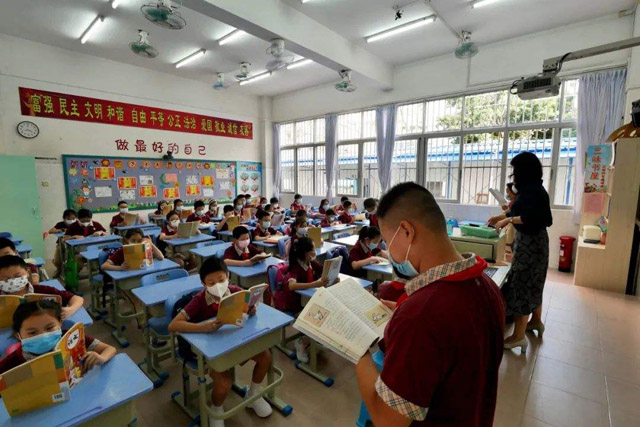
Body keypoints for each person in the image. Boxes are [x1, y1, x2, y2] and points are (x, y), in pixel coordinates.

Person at [355, 182, 505, 426]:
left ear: (407, 231)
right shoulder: (486, 285)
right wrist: (401, 310)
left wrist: (356, 348)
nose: (388, 252)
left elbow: (387, 421)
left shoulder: (421, 315)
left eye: (387, 242)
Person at [168, 257, 272, 426]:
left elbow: (248, 308)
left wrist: (251, 309)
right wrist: (204, 327)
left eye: (221, 280)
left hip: (235, 342)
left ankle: (253, 395)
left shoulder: (235, 291)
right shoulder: (199, 300)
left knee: (265, 356)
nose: (218, 285)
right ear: (203, 284)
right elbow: (173, 325)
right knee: (224, 382)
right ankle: (216, 410)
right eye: (211, 283)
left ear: (228, 276)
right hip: (210, 351)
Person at [488, 152, 552, 351]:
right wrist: (501, 216)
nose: (513, 174)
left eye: (515, 170)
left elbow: (535, 218)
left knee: (522, 285)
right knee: (535, 283)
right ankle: (535, 322)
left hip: (531, 244)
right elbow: (519, 210)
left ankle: (518, 336)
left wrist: (508, 220)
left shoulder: (533, 191)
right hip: (533, 242)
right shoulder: (532, 190)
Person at [0, 300, 116, 375]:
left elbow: (109, 349)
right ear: (18, 335)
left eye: (49, 328)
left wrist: (102, 358)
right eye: (32, 332)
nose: (43, 335)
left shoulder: (72, 338)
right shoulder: (15, 360)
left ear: (60, 323)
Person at [278, 237, 330, 362]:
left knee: (328, 312)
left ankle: (313, 338)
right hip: (295, 305)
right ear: (307, 253)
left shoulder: (311, 263)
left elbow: (324, 271)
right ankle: (302, 342)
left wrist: (331, 276)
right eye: (313, 250)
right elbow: (291, 285)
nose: (315, 252)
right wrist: (315, 284)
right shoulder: (295, 266)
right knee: (319, 316)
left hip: (308, 300)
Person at [0, 256, 84, 320]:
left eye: (17, 276)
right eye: (6, 279)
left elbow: (77, 299)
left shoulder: (42, 290)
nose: (13, 281)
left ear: (28, 273)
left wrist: (70, 309)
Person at [49, 209, 77, 276]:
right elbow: (50, 231)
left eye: (73, 218)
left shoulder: (78, 224)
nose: (71, 220)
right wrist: (60, 230)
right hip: (61, 244)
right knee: (57, 261)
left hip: (75, 245)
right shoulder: (60, 224)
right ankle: (59, 269)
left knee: (72, 260)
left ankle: (71, 272)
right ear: (64, 218)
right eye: (68, 219)